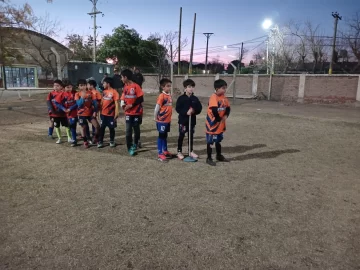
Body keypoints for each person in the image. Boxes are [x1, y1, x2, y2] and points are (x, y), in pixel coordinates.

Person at [205, 79, 231, 166]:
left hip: (220, 124)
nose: (224, 90)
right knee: (210, 141)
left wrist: (226, 115)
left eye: (225, 88)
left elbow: (228, 108)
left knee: (218, 140)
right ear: (217, 88)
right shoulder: (214, 97)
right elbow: (214, 110)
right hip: (212, 124)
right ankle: (208, 158)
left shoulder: (224, 97)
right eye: (223, 88)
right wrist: (219, 119)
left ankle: (219, 155)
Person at [175, 79, 202, 160]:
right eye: (189, 87)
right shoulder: (181, 98)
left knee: (191, 136)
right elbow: (178, 109)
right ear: (185, 88)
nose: (191, 88)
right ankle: (179, 151)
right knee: (181, 135)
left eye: (192, 87)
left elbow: (199, 108)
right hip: (183, 121)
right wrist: (185, 112)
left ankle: (190, 151)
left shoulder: (195, 99)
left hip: (192, 121)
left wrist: (194, 111)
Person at [120, 69, 144, 156]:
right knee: (128, 131)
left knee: (136, 130)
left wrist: (131, 105)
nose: (121, 79)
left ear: (125, 77)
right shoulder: (125, 87)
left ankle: (135, 143)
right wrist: (123, 105)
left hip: (137, 112)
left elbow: (141, 99)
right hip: (128, 113)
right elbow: (123, 98)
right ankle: (129, 147)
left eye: (122, 77)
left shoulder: (136, 86)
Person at [75, 79, 100, 148]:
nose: (83, 87)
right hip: (81, 114)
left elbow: (95, 104)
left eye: (84, 85)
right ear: (78, 87)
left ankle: (95, 137)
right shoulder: (77, 94)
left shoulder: (91, 93)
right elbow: (79, 105)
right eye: (81, 85)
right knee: (83, 127)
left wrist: (95, 111)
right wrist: (82, 97)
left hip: (90, 113)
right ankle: (85, 141)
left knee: (97, 126)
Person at [54, 79, 78, 146]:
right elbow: (56, 102)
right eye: (67, 87)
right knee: (71, 126)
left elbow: (77, 103)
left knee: (74, 125)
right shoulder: (62, 94)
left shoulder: (75, 93)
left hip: (75, 112)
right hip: (67, 113)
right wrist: (63, 108)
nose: (70, 88)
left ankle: (77, 140)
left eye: (70, 87)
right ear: (64, 88)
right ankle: (74, 139)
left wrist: (70, 108)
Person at [97, 77, 120, 148]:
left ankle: (112, 141)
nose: (103, 84)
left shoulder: (114, 92)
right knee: (102, 128)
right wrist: (99, 112)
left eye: (104, 83)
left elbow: (116, 103)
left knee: (111, 128)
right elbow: (101, 103)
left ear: (108, 84)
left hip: (111, 115)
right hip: (103, 114)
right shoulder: (104, 92)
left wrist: (117, 113)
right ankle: (100, 141)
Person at [154, 78, 173, 161]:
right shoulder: (161, 96)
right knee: (161, 136)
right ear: (163, 87)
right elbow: (157, 108)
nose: (169, 88)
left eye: (170, 86)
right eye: (167, 86)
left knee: (165, 136)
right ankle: (160, 153)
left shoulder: (169, 96)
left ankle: (165, 151)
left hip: (167, 120)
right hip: (161, 120)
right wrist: (155, 117)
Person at [46, 79, 68, 144]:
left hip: (62, 112)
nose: (55, 87)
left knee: (66, 124)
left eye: (57, 85)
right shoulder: (51, 93)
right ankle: (50, 134)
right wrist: (52, 110)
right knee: (52, 121)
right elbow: (48, 102)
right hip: (53, 112)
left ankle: (70, 135)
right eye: (54, 85)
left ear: (61, 87)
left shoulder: (63, 93)